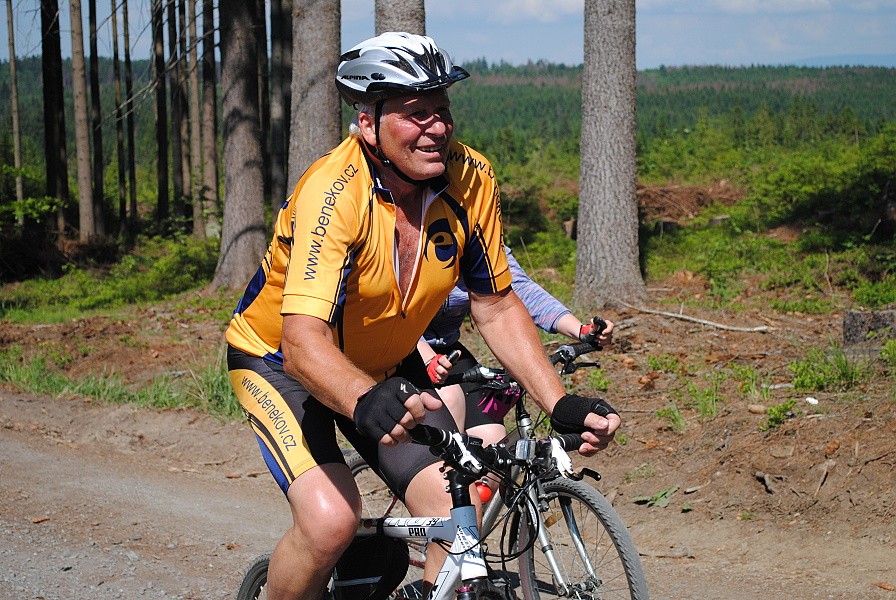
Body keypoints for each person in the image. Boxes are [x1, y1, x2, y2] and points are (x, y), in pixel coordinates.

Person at [224, 32, 621, 600]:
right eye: (416, 113)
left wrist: (558, 404)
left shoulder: (471, 178)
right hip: (280, 361)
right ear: (368, 123)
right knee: (330, 521)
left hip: (384, 363)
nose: (437, 128)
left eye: (443, 109)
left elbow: (496, 304)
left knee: (456, 507)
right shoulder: (332, 194)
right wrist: (362, 398)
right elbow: (303, 340)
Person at [419, 246, 615, 461]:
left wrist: (579, 330)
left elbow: (518, 289)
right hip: (403, 347)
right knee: (449, 399)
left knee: (492, 442)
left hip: (448, 348)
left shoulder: (479, 235)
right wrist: (427, 357)